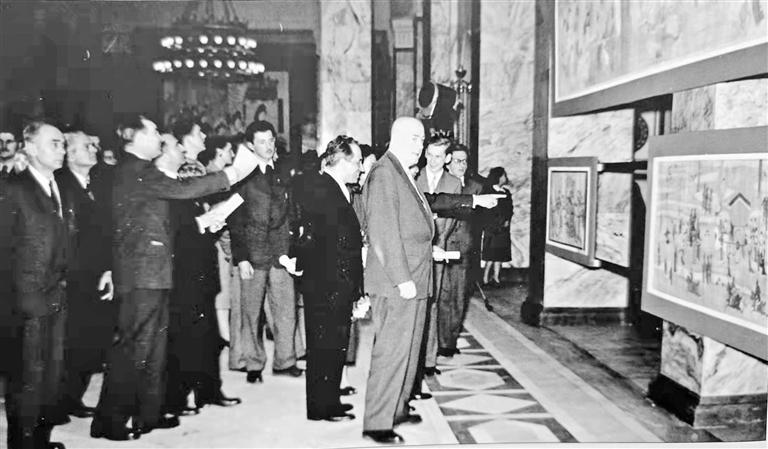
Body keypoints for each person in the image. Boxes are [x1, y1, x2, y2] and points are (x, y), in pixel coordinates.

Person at [91, 114, 257, 441]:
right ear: (135, 137)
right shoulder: (135, 170)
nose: (159, 136)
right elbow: (185, 188)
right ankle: (109, 421)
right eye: (153, 131)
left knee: (153, 349)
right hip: (142, 274)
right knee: (135, 348)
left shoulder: (140, 171)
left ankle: (148, 414)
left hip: (154, 272)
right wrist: (233, 172)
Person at [361, 117, 492, 444]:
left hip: (417, 275)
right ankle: (378, 422)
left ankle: (398, 408)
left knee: (410, 349)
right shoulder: (384, 172)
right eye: (415, 138)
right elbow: (383, 231)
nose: (420, 145)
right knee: (392, 351)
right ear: (397, 137)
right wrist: (402, 278)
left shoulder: (403, 171)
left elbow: (424, 209)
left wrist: (430, 248)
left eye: (422, 139)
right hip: (398, 281)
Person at [1, 120, 74, 449]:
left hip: (56, 295)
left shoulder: (58, 186)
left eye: (63, 144)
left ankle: (41, 441)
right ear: (29, 148)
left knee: (50, 377)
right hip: (26, 301)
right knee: (27, 380)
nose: (62, 150)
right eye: (54, 143)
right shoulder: (14, 189)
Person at [164, 120, 242, 417]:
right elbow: (178, 220)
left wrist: (212, 220)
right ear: (183, 140)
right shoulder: (176, 170)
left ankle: (209, 390)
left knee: (207, 334)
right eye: (198, 133)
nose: (204, 136)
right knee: (185, 336)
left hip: (201, 263)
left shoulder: (195, 168)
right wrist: (202, 222)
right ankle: (178, 396)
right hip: (185, 267)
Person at [294, 135, 363, 422]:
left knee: (333, 346)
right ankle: (322, 407)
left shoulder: (334, 188)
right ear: (343, 161)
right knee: (325, 347)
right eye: (358, 162)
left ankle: (329, 400)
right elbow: (320, 241)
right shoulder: (323, 189)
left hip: (334, 283)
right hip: (328, 285)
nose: (360, 167)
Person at [228, 120, 304, 383]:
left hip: (281, 252)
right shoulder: (242, 175)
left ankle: (285, 361)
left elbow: (292, 212)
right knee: (251, 312)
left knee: (286, 310)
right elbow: (235, 220)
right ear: (251, 145)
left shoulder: (283, 171)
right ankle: (253, 364)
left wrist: (293, 248)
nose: (269, 145)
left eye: (271, 139)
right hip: (253, 253)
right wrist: (241, 258)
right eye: (262, 141)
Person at [55, 129, 115, 419]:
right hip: (72, 278)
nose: (94, 149)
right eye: (86, 146)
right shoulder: (61, 185)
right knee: (71, 341)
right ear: (69, 153)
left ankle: (71, 397)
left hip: (95, 275)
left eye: (93, 145)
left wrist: (108, 268)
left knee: (89, 340)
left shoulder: (96, 183)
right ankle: (61, 400)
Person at [414, 136, 462, 381]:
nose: (433, 161)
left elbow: (450, 219)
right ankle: (414, 358)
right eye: (430, 155)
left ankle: (429, 360)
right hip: (415, 249)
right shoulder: (413, 176)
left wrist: (436, 243)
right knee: (417, 302)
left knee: (432, 302)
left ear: (447, 158)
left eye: (438, 156)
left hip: (439, 247)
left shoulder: (453, 183)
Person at [437, 143, 484, 357]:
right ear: (448, 162)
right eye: (457, 161)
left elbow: (480, 222)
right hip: (441, 247)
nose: (462, 165)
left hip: (463, 250)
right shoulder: (440, 184)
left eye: (465, 161)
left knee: (458, 297)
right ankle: (438, 340)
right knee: (441, 297)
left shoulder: (475, 187)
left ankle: (450, 341)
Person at [481, 167, 514, 287]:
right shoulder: (488, 191)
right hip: (492, 229)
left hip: (503, 229)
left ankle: (496, 277)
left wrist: (507, 220)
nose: (505, 177)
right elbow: (486, 212)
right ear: (498, 177)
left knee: (500, 255)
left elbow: (510, 210)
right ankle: (485, 278)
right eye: (503, 175)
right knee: (490, 255)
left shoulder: (506, 192)